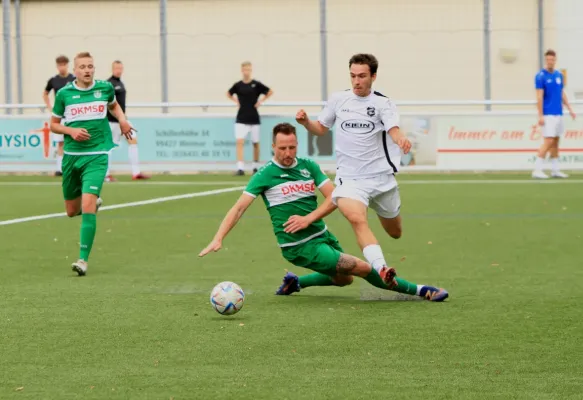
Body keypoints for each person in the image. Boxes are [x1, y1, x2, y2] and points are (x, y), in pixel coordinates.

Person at [199, 123, 448, 302]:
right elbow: (239, 207)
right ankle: (421, 290)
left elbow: (334, 195)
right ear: (273, 146)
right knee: (361, 268)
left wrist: (310, 218)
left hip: (323, 235)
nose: (287, 154)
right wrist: (218, 237)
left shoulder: (308, 166)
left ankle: (296, 282)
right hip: (299, 246)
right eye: (282, 148)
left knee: (344, 279)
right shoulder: (265, 175)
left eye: (292, 147)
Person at [295, 53, 412, 284]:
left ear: (373, 76)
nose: (356, 81)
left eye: (362, 76)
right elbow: (321, 128)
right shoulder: (338, 100)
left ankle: (383, 252)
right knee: (357, 219)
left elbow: (394, 129)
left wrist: (401, 139)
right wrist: (306, 122)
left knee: (395, 232)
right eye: (353, 76)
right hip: (350, 180)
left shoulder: (383, 103)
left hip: (381, 179)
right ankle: (381, 268)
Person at [50, 52, 134, 276]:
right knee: (71, 211)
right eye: (83, 67)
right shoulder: (64, 94)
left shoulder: (104, 88)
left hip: (97, 156)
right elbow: (54, 125)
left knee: (87, 205)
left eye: (90, 66)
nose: (87, 70)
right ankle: (92, 205)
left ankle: (83, 260)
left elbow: (114, 106)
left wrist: (123, 120)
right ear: (75, 71)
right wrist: (72, 130)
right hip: (71, 157)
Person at [532, 49, 576, 179]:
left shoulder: (559, 75)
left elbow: (562, 93)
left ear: (555, 60)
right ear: (546, 61)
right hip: (548, 114)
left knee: (556, 141)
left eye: (552, 60)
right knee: (548, 140)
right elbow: (539, 97)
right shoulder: (540, 76)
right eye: (548, 60)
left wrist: (569, 108)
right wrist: (540, 115)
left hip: (559, 113)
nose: (550, 62)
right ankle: (537, 169)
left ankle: (555, 170)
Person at [105, 60, 149, 182]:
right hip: (112, 122)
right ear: (112, 69)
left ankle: (136, 172)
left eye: (120, 68)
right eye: (116, 68)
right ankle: (106, 175)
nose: (118, 70)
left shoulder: (121, 83)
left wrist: (124, 118)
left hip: (122, 121)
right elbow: (108, 104)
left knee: (133, 140)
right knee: (109, 147)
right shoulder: (109, 84)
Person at [226, 61, 273, 176]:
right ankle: (240, 168)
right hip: (241, 117)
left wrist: (261, 101)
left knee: (255, 142)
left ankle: (255, 167)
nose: (247, 71)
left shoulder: (256, 84)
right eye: (245, 69)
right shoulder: (238, 85)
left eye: (249, 69)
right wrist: (235, 101)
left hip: (253, 117)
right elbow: (228, 93)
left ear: (251, 70)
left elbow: (270, 91)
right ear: (242, 70)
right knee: (239, 142)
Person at [42, 55, 76, 176]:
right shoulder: (53, 80)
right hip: (59, 117)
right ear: (57, 66)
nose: (62, 67)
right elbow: (45, 93)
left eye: (64, 64)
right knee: (60, 143)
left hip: (72, 116)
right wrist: (51, 108)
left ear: (68, 65)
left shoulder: (74, 78)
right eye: (60, 65)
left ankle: (72, 167)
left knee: (72, 143)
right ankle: (60, 168)